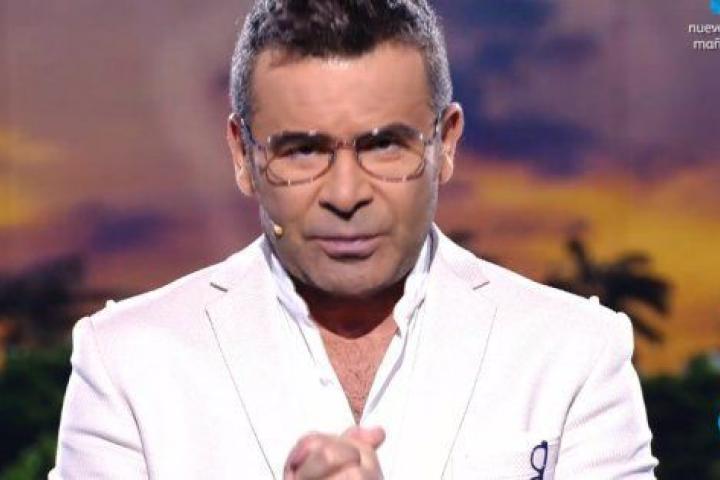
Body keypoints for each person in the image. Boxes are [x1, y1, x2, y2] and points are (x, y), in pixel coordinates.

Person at [50, 1, 658, 478]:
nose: (346, 193)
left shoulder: (574, 354)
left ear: (445, 143)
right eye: (303, 149)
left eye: (384, 144)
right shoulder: (126, 362)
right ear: (242, 156)